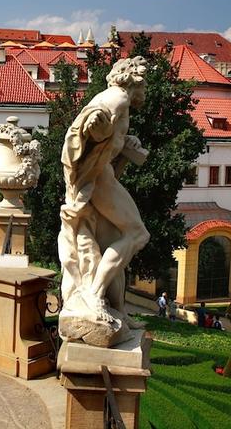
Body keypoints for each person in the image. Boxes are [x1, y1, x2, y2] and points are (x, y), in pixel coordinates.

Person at [58, 57, 151, 341]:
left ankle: (118, 309)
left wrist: (125, 144)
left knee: (114, 243)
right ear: (133, 81)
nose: (145, 91)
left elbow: (104, 138)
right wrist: (93, 126)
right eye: (144, 85)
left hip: (103, 177)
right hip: (98, 181)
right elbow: (81, 131)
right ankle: (95, 296)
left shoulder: (117, 101)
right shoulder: (117, 99)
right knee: (137, 234)